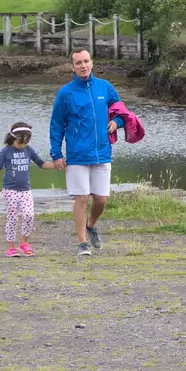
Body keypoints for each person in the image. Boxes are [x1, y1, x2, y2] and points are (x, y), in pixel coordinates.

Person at [49, 49, 120, 257]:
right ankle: (82, 244)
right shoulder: (66, 93)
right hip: (77, 155)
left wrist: (118, 122)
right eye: (78, 63)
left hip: (102, 152)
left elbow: (121, 110)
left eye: (86, 61)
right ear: (72, 67)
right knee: (81, 198)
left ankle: (91, 225)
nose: (83, 66)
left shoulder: (104, 87)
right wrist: (56, 153)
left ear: (92, 63)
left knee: (101, 199)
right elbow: (56, 125)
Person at [0, 122, 57, 257]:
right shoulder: (6, 151)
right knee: (13, 218)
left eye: (25, 143)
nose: (22, 145)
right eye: (20, 142)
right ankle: (11, 246)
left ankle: (24, 242)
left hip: (25, 190)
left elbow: (42, 164)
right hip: (10, 190)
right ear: (13, 138)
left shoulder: (29, 150)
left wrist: (57, 165)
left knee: (29, 215)